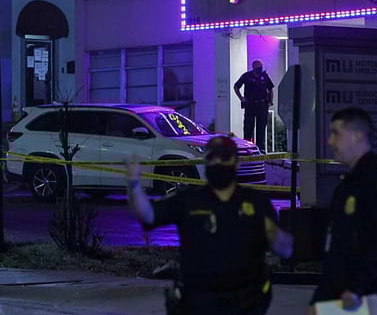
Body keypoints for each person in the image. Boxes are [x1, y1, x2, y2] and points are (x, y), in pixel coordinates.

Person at [126, 135, 294, 315]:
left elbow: (285, 249)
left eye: (224, 158)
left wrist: (272, 234)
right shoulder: (189, 199)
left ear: (237, 163)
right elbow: (149, 215)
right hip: (198, 302)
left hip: (245, 303)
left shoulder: (256, 202)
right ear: (205, 162)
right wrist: (134, 183)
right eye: (213, 158)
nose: (218, 163)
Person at [308, 107, 377, 315]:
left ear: (357, 136)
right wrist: (321, 299)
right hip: (345, 297)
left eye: (336, 133)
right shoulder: (346, 187)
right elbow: (337, 247)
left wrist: (356, 288)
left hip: (370, 297)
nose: (330, 142)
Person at [233, 60, 274, 152]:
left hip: (262, 105)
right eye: (258, 67)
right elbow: (236, 86)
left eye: (261, 67)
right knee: (248, 127)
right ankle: (247, 147)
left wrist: (270, 101)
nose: (260, 69)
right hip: (250, 105)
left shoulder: (264, 76)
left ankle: (260, 148)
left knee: (261, 127)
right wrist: (241, 98)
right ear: (254, 67)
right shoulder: (247, 76)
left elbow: (270, 89)